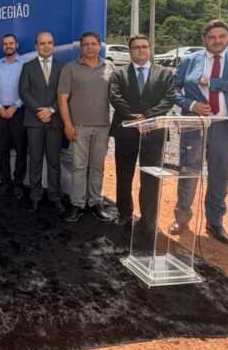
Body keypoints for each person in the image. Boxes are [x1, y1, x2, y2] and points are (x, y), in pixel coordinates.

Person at [169, 19, 228, 245]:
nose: (217, 41)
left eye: (221, 36)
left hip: (225, 125)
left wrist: (212, 82)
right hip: (194, 124)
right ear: (204, 39)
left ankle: (215, 222)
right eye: (212, 37)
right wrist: (191, 105)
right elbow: (172, 89)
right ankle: (181, 218)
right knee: (188, 173)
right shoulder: (189, 60)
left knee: (219, 174)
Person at [108, 35, 175, 227]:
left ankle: (148, 219)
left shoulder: (165, 73)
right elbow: (115, 97)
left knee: (151, 177)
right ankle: (124, 213)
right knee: (124, 175)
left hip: (153, 132)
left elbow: (168, 99)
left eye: (144, 46)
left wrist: (147, 117)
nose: (141, 50)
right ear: (130, 51)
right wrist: (134, 118)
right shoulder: (119, 73)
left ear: (150, 49)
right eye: (136, 47)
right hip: (125, 132)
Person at [58, 32, 114, 223]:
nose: (90, 47)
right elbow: (62, 99)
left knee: (98, 167)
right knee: (79, 167)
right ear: (81, 47)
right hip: (78, 127)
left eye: (93, 44)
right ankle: (77, 204)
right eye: (86, 44)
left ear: (99, 46)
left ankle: (96, 202)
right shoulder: (70, 68)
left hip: (103, 126)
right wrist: (68, 124)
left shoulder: (110, 67)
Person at [18, 32, 65, 213]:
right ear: (36, 46)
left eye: (49, 43)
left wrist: (51, 110)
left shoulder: (62, 67)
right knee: (35, 161)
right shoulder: (27, 67)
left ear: (53, 45)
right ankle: (35, 196)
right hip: (34, 121)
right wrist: (40, 111)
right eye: (42, 43)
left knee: (54, 161)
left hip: (55, 121)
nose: (46, 46)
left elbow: (64, 93)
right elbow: (23, 92)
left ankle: (55, 196)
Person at [0, 33, 27, 199]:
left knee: (20, 149)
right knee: (3, 148)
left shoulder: (25, 64)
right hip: (0, 111)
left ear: (17, 45)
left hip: (18, 111)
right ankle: (5, 181)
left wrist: (15, 106)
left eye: (11, 43)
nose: (8, 46)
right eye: (5, 44)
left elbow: (27, 89)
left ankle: (18, 183)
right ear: (2, 46)